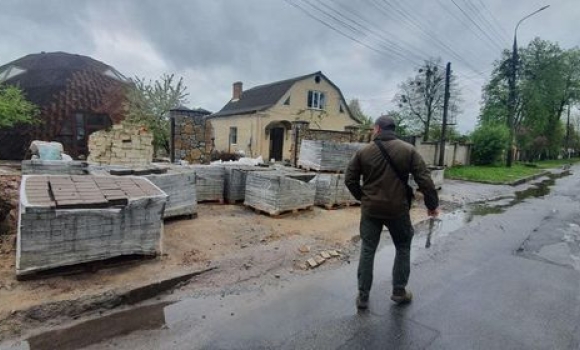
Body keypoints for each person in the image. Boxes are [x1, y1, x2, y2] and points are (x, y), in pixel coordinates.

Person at [345, 115, 439, 309]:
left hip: (371, 210)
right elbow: (425, 181)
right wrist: (431, 205)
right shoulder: (409, 150)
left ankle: (363, 296)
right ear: (393, 129)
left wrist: (362, 198)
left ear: (378, 129)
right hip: (398, 210)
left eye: (373, 129)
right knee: (403, 247)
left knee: (368, 249)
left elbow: (350, 179)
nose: (372, 132)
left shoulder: (363, 152)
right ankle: (399, 292)